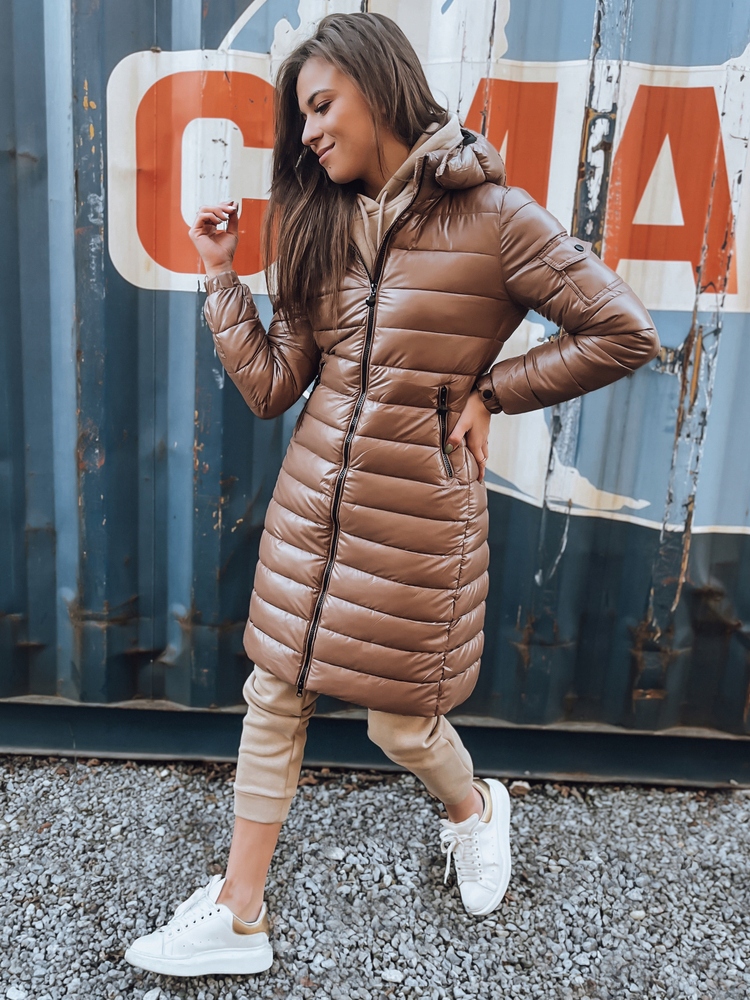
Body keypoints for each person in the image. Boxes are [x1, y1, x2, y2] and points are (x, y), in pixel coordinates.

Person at [124, 11, 659, 979]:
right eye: (300, 119)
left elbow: (622, 331)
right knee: (274, 691)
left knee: (399, 722)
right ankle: (238, 913)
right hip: (310, 512)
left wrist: (494, 392)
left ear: (379, 88)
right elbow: (272, 387)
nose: (309, 134)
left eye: (322, 106)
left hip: (417, 521)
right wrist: (220, 278)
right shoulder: (318, 222)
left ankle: (475, 809)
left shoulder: (497, 219)